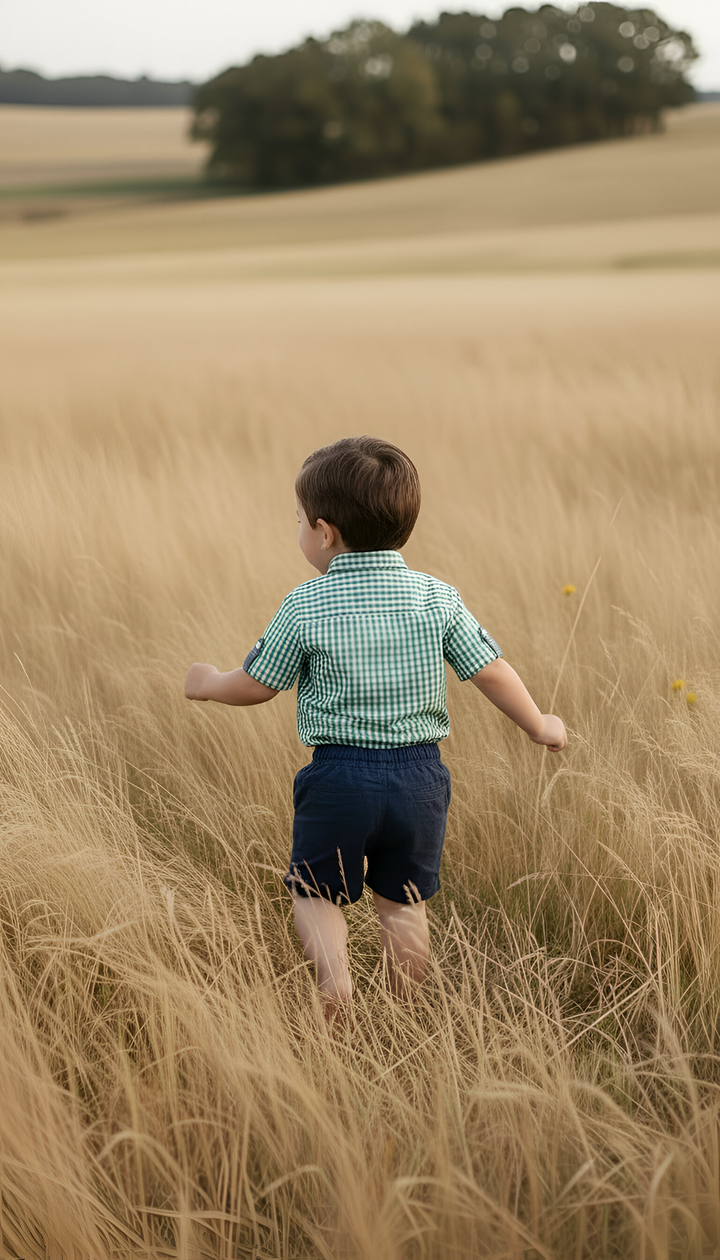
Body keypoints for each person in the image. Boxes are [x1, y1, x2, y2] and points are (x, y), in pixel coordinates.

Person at [185, 436, 566, 1017]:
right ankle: (404, 1009)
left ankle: (336, 984)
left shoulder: (306, 604)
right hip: (420, 778)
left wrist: (209, 681)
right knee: (403, 903)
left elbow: (258, 684)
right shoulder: (436, 598)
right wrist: (539, 723)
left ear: (325, 531)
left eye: (299, 524)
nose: (300, 535)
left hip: (339, 777)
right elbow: (490, 671)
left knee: (316, 894)